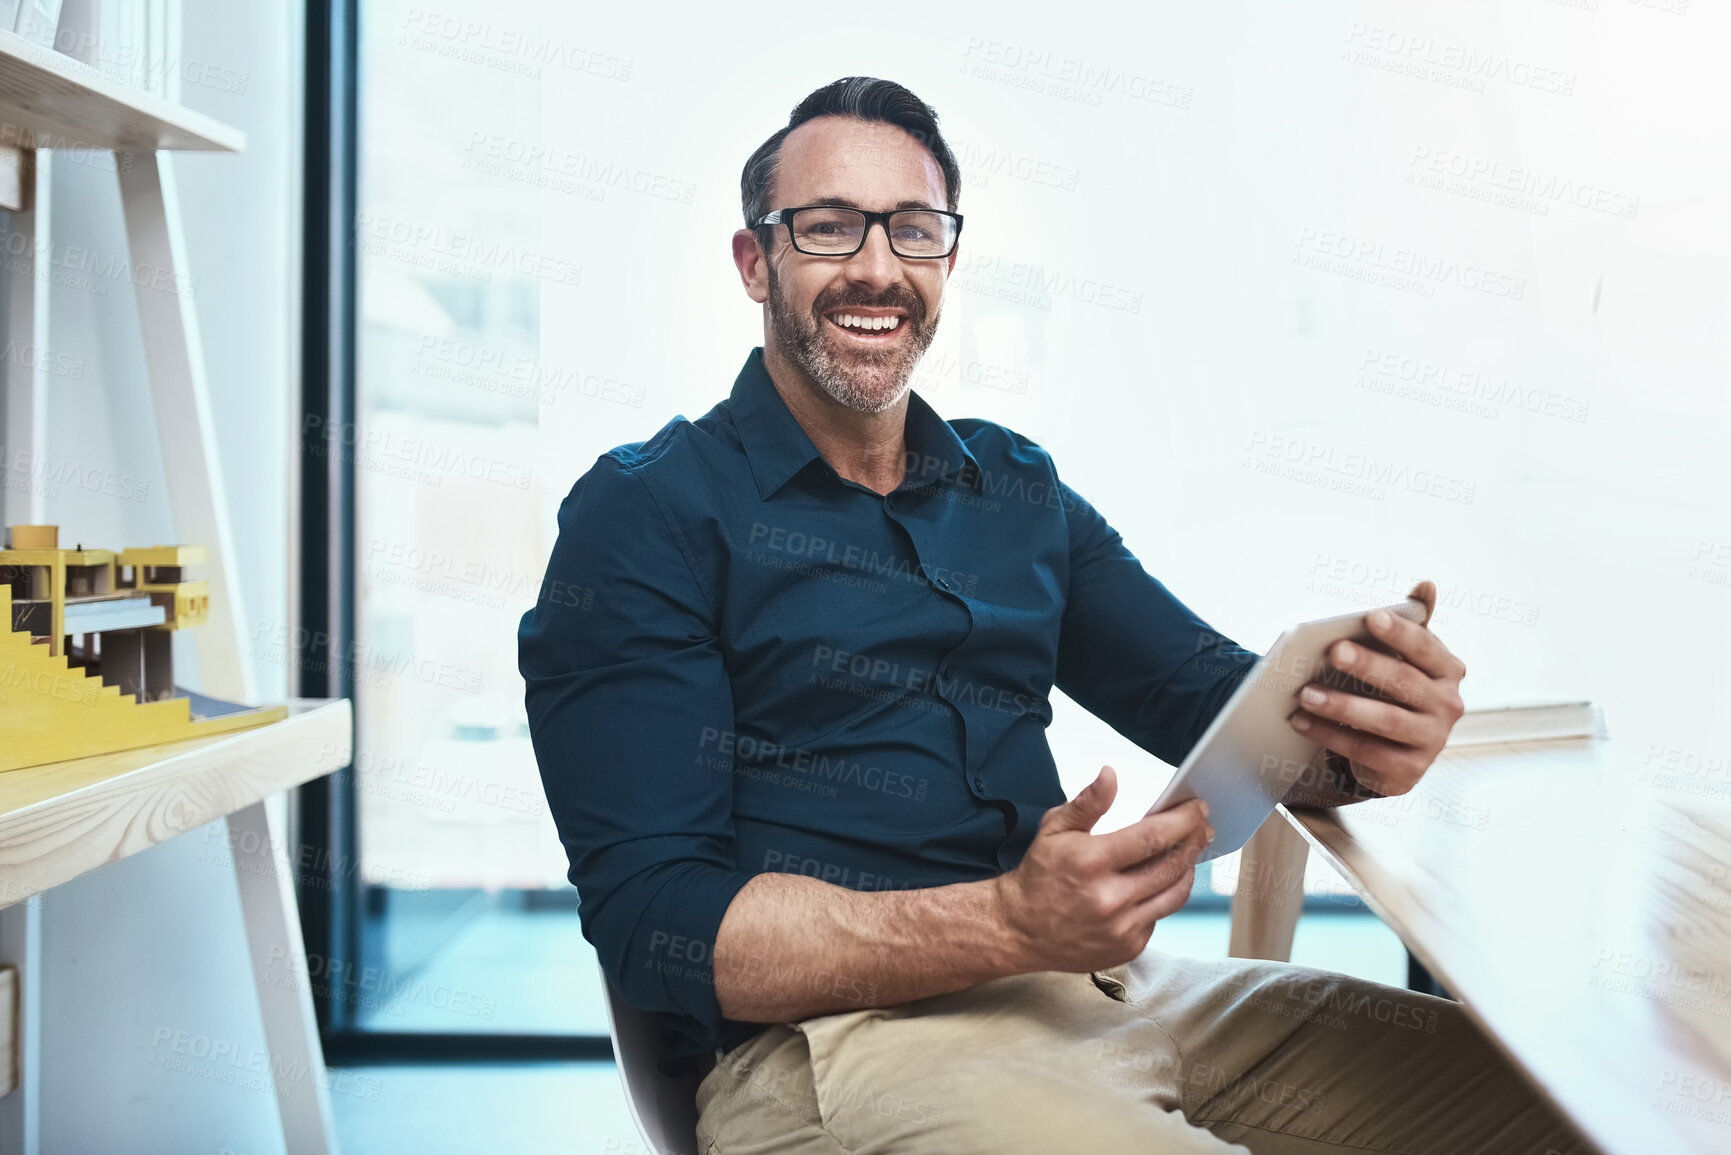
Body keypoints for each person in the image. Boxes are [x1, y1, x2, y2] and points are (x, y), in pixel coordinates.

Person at [519, 76, 1589, 1154]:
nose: (878, 268)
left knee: (1564, 1116)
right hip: (845, 1052)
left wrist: (1362, 738)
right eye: (830, 228)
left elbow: (1209, 702)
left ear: (947, 261)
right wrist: (1005, 921)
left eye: (915, 231)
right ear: (757, 263)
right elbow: (657, 923)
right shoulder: (646, 514)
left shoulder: (1017, 487)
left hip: (1113, 995)